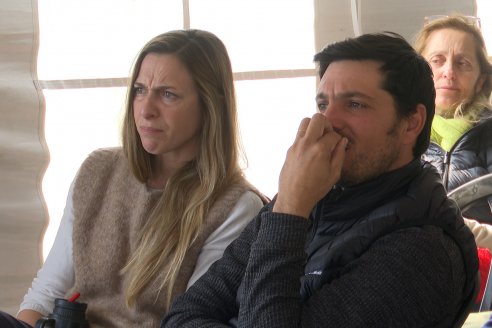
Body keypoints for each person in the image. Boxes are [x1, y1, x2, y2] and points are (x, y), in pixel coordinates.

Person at [162, 32, 478, 328]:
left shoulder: (423, 250)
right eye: (323, 104)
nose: (326, 122)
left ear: (412, 123)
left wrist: (289, 213)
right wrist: (289, 207)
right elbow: (182, 315)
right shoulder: (310, 197)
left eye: (355, 104)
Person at [0, 29, 267, 328]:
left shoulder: (236, 206)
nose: (146, 109)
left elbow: (192, 319)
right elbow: (46, 292)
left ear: (210, 105)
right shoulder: (97, 171)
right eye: (140, 90)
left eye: (168, 94)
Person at [415, 14, 492, 225]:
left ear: (480, 80)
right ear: (417, 71)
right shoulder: (394, 134)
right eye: (437, 61)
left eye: (463, 63)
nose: (448, 72)